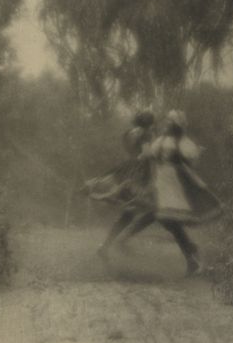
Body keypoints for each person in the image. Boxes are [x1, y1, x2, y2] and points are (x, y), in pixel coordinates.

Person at [115, 109, 223, 276]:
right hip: (161, 181)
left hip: (174, 183)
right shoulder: (162, 139)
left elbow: (190, 157)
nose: (167, 124)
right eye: (167, 121)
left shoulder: (180, 141)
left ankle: (192, 257)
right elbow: (149, 154)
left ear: (176, 124)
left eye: (170, 122)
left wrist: (194, 155)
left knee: (167, 219)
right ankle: (192, 257)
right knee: (168, 221)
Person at [81, 110, 156, 258]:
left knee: (128, 214)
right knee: (152, 209)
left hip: (128, 168)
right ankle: (121, 241)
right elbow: (147, 154)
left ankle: (107, 245)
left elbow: (131, 150)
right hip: (140, 174)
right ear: (149, 123)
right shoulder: (147, 134)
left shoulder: (130, 133)